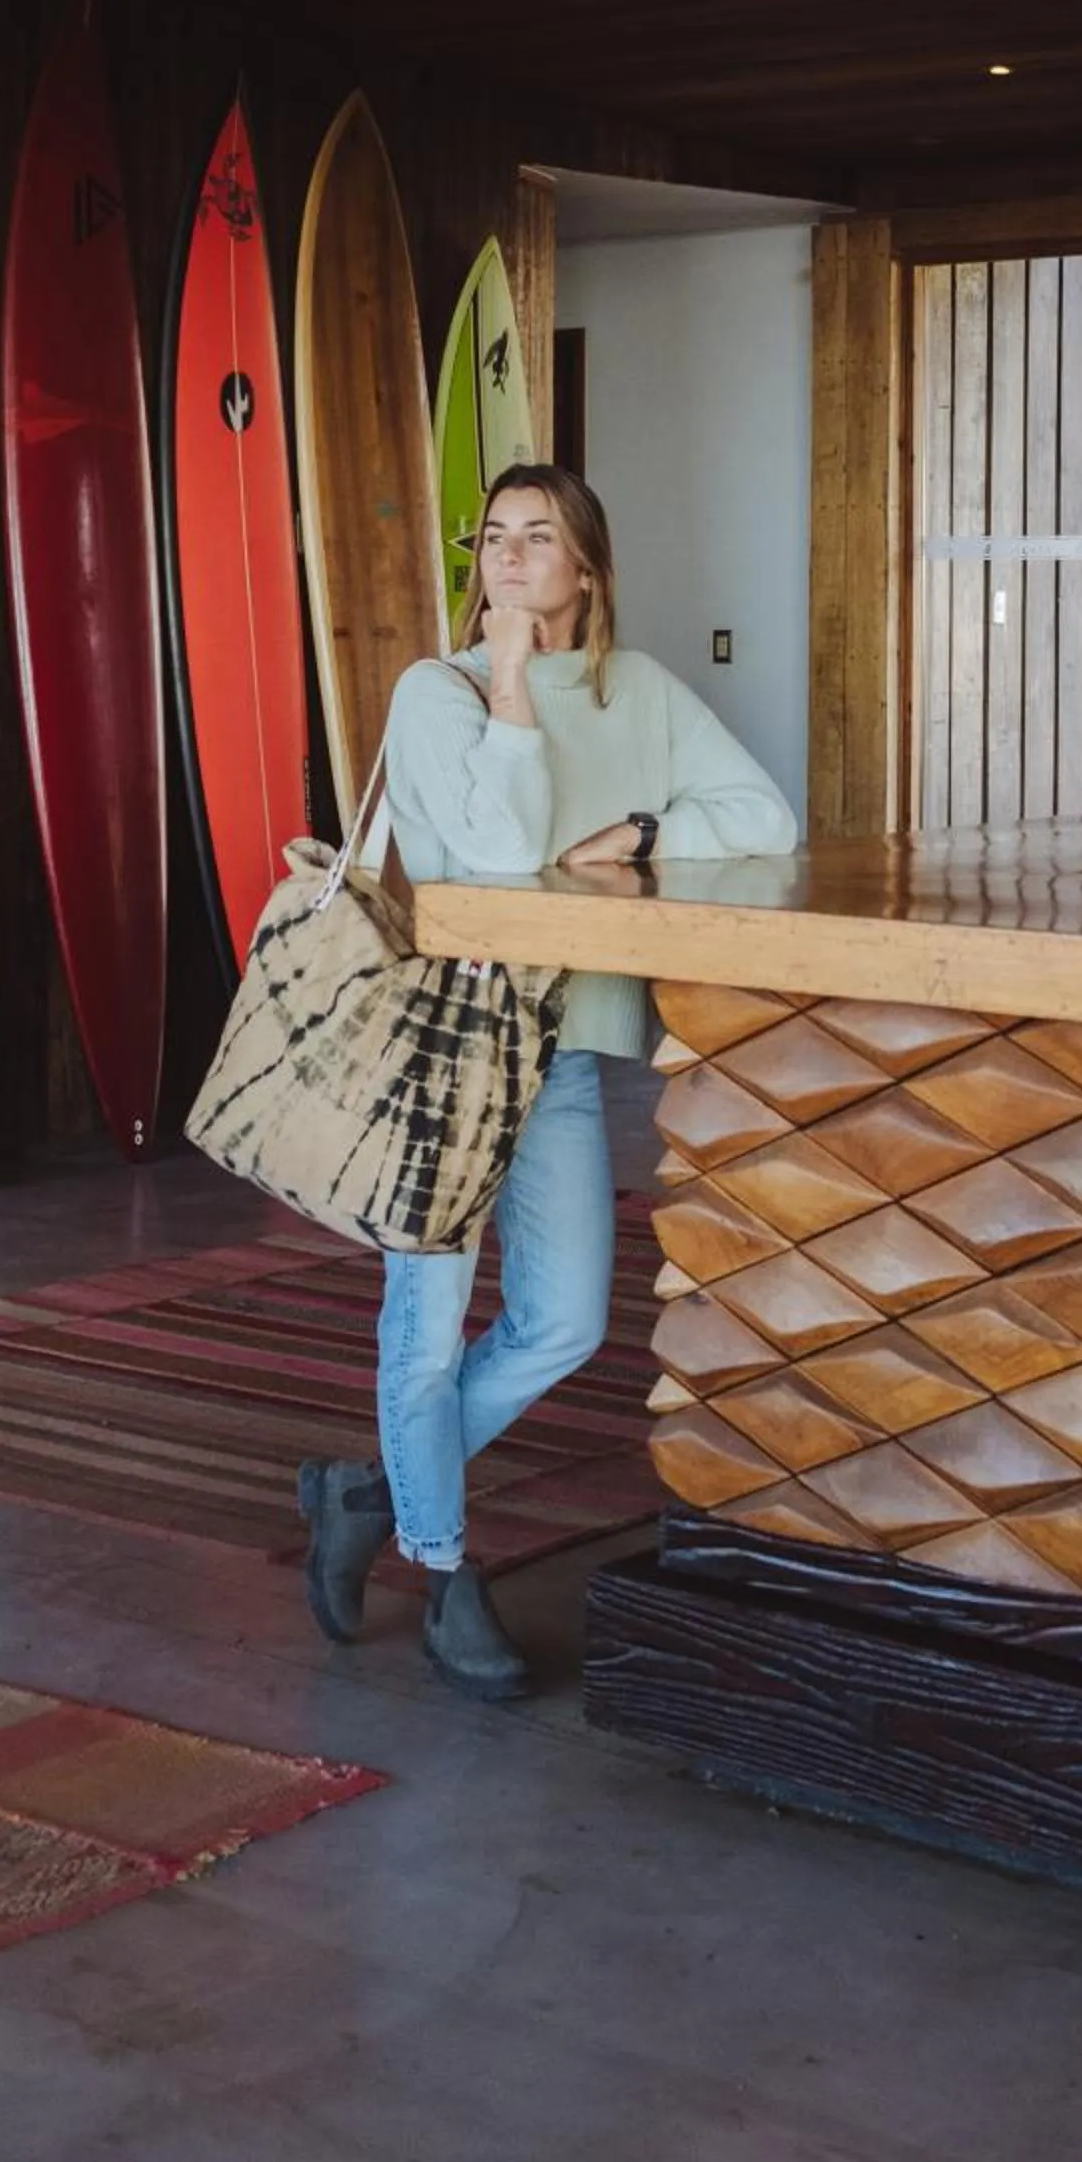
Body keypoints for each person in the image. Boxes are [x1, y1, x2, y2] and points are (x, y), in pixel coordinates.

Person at [297, 464, 797, 1702]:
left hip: (563, 1047)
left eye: (538, 537)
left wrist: (640, 835)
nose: (509, 556)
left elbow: (763, 814)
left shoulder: (639, 692)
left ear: (586, 569)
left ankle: (363, 1492)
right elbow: (498, 855)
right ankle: (444, 1572)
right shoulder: (439, 691)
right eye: (493, 537)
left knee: (565, 1322)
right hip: (448, 1043)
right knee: (424, 1333)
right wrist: (511, 683)